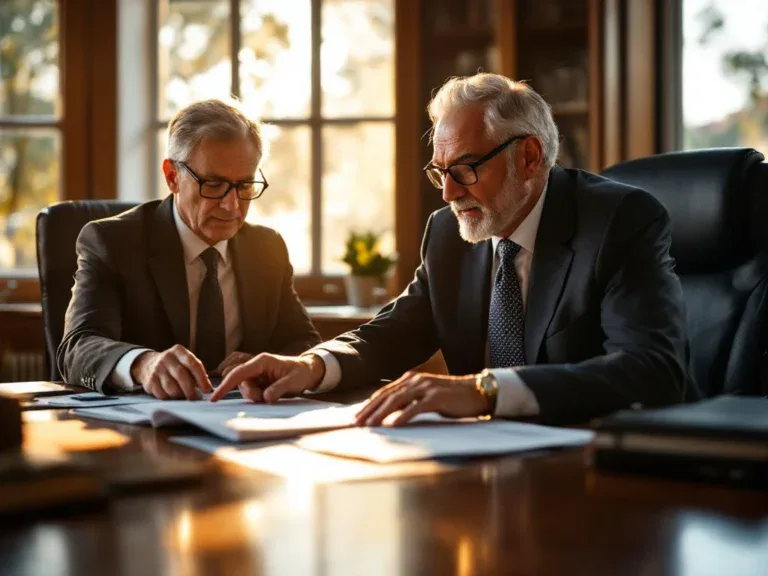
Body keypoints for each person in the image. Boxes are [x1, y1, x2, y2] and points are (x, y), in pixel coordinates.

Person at [211, 73, 692, 425]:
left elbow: (652, 369)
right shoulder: (448, 233)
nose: (447, 193)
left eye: (464, 168)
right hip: (490, 463)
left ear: (528, 157)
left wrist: (485, 390)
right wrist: (311, 365)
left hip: (604, 469)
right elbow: (396, 332)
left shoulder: (618, 221)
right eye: (439, 172)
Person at [58, 99, 321, 399]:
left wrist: (274, 365)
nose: (231, 205)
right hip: (142, 428)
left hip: (243, 422)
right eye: (213, 184)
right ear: (172, 176)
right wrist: (143, 364)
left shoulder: (266, 248)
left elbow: (304, 343)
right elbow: (78, 347)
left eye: (245, 185)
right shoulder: (113, 242)